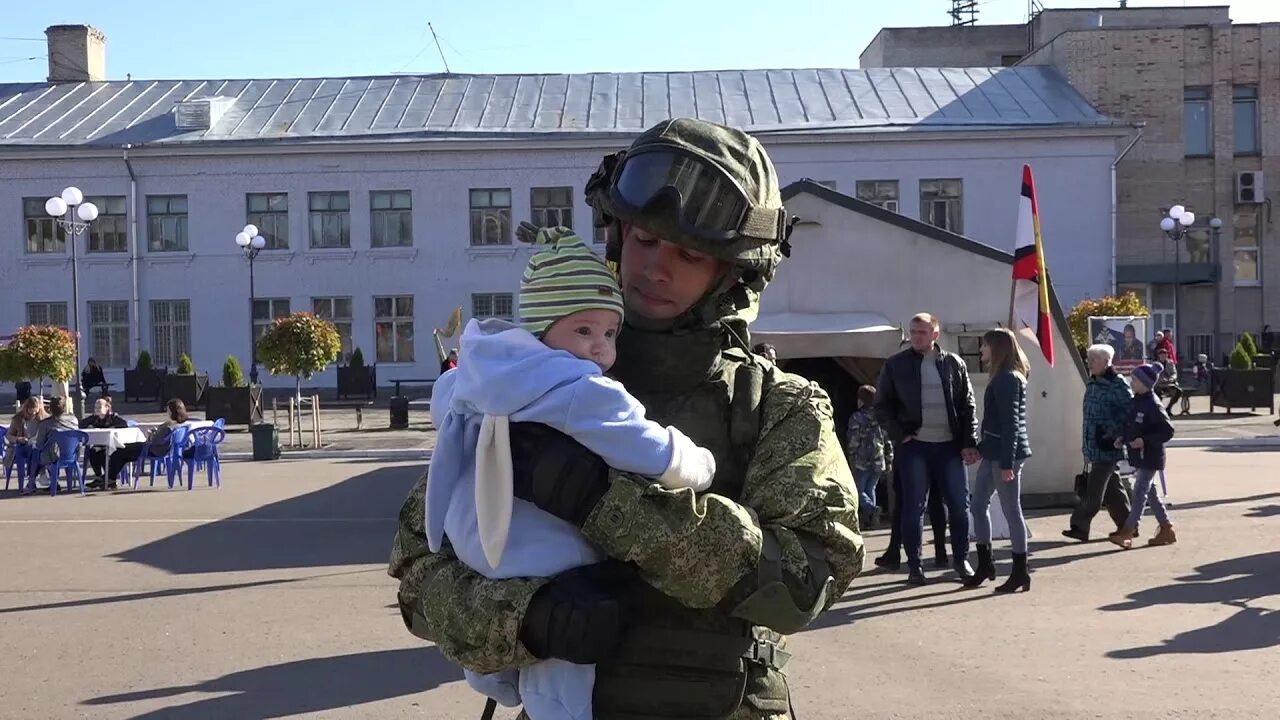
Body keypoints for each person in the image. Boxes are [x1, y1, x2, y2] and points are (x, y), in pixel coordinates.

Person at [389, 117, 863, 720]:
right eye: (644, 240)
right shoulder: (534, 378)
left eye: (689, 254)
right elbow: (418, 572)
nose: (655, 269)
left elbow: (805, 583)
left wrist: (606, 501)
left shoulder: (775, 404)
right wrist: (530, 618)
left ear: (734, 273)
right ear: (617, 237)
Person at [425, 225, 716, 719]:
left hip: (477, 539)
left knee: (504, 627)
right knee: (565, 660)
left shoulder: (476, 372)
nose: (600, 349)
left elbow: (442, 412)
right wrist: (699, 464)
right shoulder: (578, 387)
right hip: (547, 553)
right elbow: (646, 447)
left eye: (609, 333)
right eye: (583, 330)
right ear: (543, 328)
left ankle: (490, 673)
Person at [874, 312, 980, 585]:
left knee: (959, 505)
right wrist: (899, 434)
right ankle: (915, 566)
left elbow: (968, 406)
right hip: (915, 446)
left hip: (949, 447)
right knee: (914, 507)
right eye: (913, 332)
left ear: (935, 335)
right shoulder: (896, 365)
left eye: (921, 332)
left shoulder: (954, 364)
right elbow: (881, 406)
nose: (915, 337)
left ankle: (961, 560)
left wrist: (969, 442)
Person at [965, 329, 1032, 593]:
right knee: (978, 504)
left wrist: (1006, 463)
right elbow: (996, 425)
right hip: (994, 453)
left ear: (997, 348)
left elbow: (1010, 424)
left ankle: (1020, 572)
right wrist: (981, 449)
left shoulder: (1007, 379)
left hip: (1006, 456)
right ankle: (985, 564)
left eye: (985, 346)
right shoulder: (1003, 377)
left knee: (1011, 510)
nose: (981, 350)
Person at [1063, 344, 1133, 542]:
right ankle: (1128, 525)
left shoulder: (1117, 384)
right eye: (1089, 359)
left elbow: (1129, 411)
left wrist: (1113, 433)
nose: (1090, 363)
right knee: (1113, 490)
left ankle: (1079, 525)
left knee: (1093, 493)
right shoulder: (1093, 382)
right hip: (1094, 444)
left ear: (1106, 361)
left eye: (1094, 360)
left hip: (1108, 445)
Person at [1108, 362, 1177, 549]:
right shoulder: (1137, 400)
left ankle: (1128, 532)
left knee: (1139, 493)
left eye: (1135, 379)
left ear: (1145, 383)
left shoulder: (1153, 404)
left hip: (1151, 457)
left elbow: (1168, 431)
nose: (1132, 382)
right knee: (1151, 494)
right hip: (1140, 456)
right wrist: (1122, 437)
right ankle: (1166, 529)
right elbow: (1131, 425)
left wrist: (1145, 441)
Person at [106, 398, 194, 484]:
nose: (167, 412)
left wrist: (152, 434)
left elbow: (156, 440)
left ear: (172, 411)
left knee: (120, 450)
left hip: (152, 450)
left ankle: (109, 478)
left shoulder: (169, 426)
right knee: (124, 455)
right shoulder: (181, 425)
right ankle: (110, 478)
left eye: (168, 410)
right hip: (166, 450)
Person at [846, 385, 891, 529]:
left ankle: (872, 510)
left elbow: (854, 440)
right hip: (878, 459)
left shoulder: (857, 417)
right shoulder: (881, 416)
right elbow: (887, 439)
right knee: (870, 488)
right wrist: (889, 459)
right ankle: (871, 520)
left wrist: (850, 456)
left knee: (858, 491)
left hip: (862, 460)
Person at [26, 396, 80, 493]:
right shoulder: (74, 420)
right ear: (64, 408)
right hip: (71, 455)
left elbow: (39, 444)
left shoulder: (45, 424)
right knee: (51, 451)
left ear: (50, 409)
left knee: (36, 453)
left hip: (52, 457)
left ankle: (32, 481)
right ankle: (59, 483)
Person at [79, 397, 129, 489]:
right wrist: (89, 425)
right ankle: (99, 477)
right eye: (95, 407)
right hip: (98, 445)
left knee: (104, 455)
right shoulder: (94, 418)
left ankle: (109, 479)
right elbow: (81, 424)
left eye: (99, 407)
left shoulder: (112, 417)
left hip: (112, 445)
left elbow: (124, 424)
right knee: (92, 452)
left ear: (106, 408)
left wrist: (113, 427)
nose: (97, 409)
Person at [3, 397, 47, 481]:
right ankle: (39, 474)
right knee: (33, 451)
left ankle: (34, 478)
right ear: (26, 409)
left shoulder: (43, 419)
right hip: (22, 447)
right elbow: (8, 435)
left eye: (35, 412)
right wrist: (18, 439)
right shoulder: (18, 419)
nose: (33, 414)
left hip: (39, 446)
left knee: (44, 451)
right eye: (31, 412)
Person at [1151, 347, 1181, 413]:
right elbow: (1154, 374)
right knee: (1158, 394)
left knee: (1178, 392)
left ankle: (1169, 408)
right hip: (1159, 384)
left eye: (1165, 354)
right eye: (1161, 355)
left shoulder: (1170, 363)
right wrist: (1162, 379)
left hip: (1169, 384)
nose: (1163, 356)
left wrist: (1172, 378)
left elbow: (1174, 372)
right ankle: (1159, 410)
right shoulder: (1155, 364)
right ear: (1159, 356)